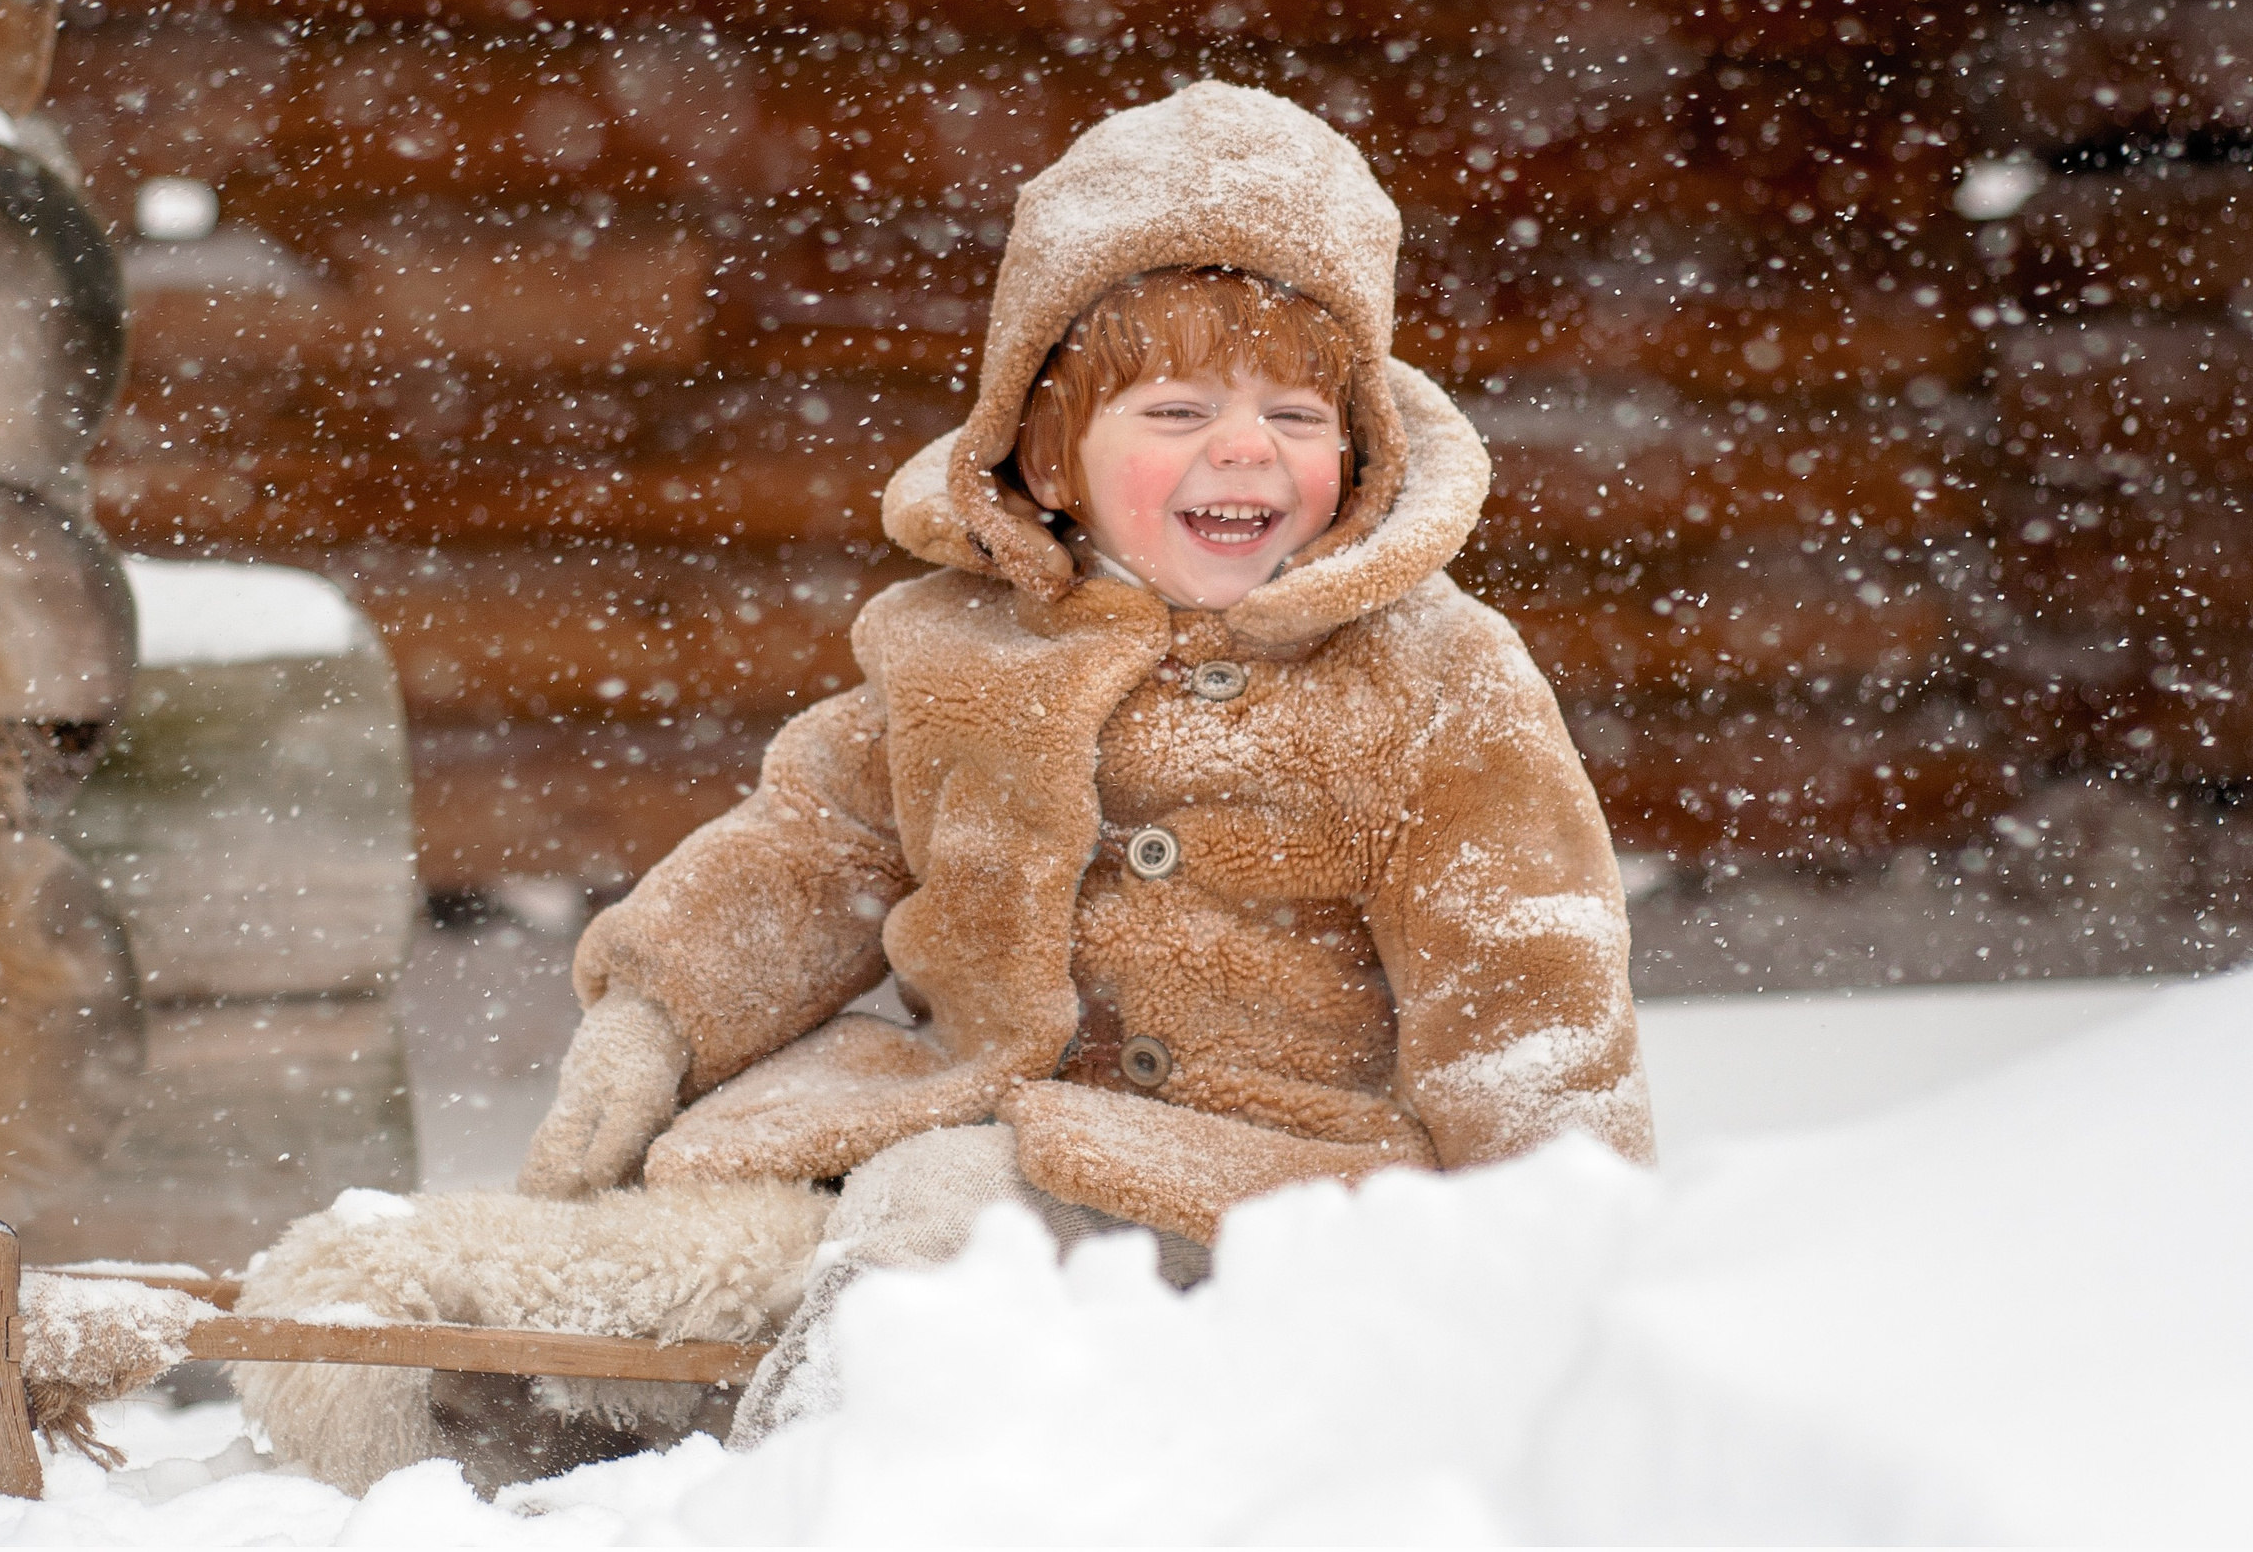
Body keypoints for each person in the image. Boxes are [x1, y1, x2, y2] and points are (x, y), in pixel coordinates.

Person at [515, 80, 1655, 1444]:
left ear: (1359, 454)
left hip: (1282, 1185)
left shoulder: (1432, 679)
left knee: (934, 1214)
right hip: (980, 1120)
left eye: (1296, 415)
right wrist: (656, 1016)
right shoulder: (955, 647)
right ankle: (650, 1426)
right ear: (1048, 453)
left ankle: (845, 1477)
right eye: (1176, 411)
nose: (1245, 448)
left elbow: (1529, 990)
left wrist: (1566, 1260)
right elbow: (812, 846)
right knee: (806, 1186)